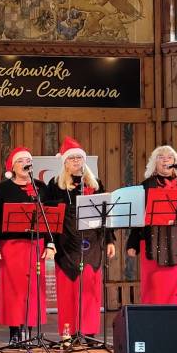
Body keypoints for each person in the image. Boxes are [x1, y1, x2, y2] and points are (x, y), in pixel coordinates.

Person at [47, 137, 115, 340]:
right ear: (65, 162)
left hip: (92, 244)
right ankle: (69, 334)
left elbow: (105, 215)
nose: (76, 161)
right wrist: (50, 243)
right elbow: (49, 218)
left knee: (89, 288)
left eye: (79, 157)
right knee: (67, 290)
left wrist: (109, 240)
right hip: (66, 244)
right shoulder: (55, 185)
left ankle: (89, 332)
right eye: (72, 158)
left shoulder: (95, 184)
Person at [0, 146, 56, 344]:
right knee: (14, 291)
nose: (26, 163)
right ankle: (15, 332)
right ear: (12, 166)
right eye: (20, 160)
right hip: (11, 245)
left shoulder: (41, 187)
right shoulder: (4, 188)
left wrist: (50, 243)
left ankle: (31, 330)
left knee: (34, 289)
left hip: (36, 245)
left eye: (28, 160)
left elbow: (50, 218)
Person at [127, 145, 177, 304]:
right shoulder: (146, 186)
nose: (165, 160)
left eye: (170, 157)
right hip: (151, 242)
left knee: (176, 290)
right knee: (154, 290)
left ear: (175, 163)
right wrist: (133, 242)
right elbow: (138, 216)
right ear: (154, 163)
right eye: (161, 157)